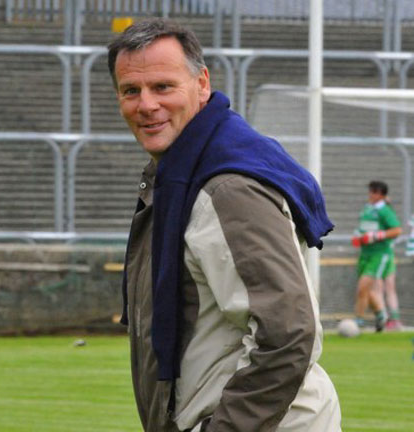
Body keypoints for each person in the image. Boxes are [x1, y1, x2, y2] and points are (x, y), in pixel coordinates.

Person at [108, 18, 341, 432]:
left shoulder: (227, 187)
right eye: (131, 91)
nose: (145, 105)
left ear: (202, 84)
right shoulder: (182, 174)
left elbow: (287, 333)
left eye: (163, 86)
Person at [351, 181, 402, 332]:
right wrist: (358, 236)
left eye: (373, 192)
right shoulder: (367, 209)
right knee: (368, 289)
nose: (370, 194)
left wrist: (377, 235)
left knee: (362, 287)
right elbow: (363, 228)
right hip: (364, 254)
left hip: (379, 255)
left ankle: (358, 322)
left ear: (380, 195)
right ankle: (381, 316)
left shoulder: (385, 211)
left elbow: (397, 230)